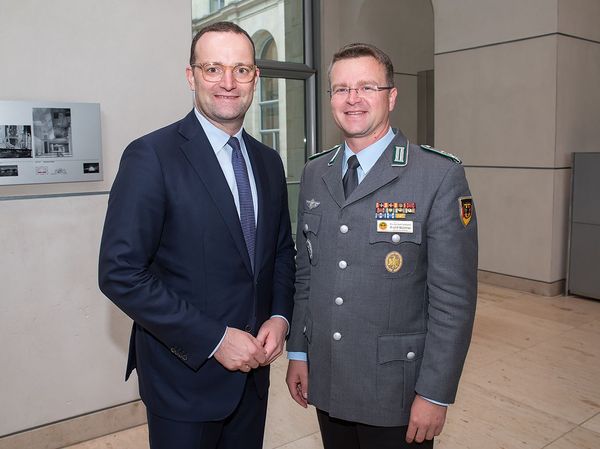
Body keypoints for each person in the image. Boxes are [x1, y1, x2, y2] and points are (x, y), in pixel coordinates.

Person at [98, 21, 295, 449]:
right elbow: (120, 272)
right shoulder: (151, 156)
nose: (228, 82)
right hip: (182, 383)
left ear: (255, 78)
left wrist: (280, 317)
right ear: (191, 76)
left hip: (253, 380)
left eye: (241, 69)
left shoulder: (268, 162)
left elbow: (280, 253)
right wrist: (216, 339)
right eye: (213, 68)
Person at [286, 42, 478, 449]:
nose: (352, 99)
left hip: (397, 391)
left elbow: (453, 300)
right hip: (330, 377)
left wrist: (435, 393)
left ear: (391, 96)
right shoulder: (315, 171)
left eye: (367, 87)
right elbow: (307, 275)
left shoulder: (437, 176)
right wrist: (299, 354)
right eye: (341, 89)